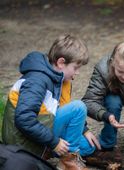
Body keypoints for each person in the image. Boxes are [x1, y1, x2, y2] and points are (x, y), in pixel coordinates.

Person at [2, 35, 101, 170]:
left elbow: (64, 108)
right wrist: (54, 142)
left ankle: (49, 152)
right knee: (79, 107)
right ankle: (67, 161)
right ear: (61, 63)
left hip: (41, 129)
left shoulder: (60, 79)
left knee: (88, 146)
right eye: (76, 67)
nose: (77, 73)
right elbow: (24, 119)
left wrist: (84, 130)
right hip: (22, 141)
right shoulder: (36, 81)